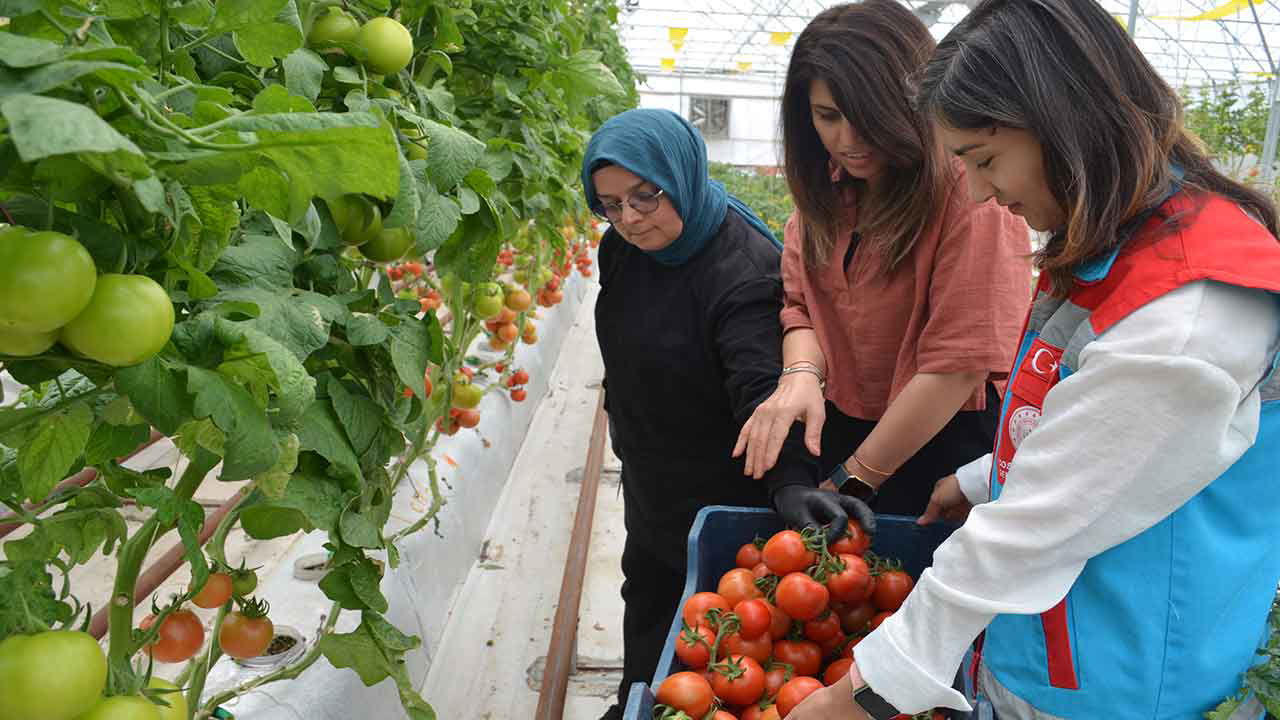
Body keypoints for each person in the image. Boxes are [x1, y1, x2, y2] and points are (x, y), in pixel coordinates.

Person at [788, 1, 1280, 718]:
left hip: (1120, 681)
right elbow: (1103, 428)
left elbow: (1040, 524)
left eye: (985, 161)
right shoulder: (1123, 245)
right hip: (1060, 643)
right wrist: (983, 476)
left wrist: (865, 692)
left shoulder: (1187, 317)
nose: (983, 191)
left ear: (1065, 121)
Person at [581, 108, 874, 720]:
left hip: (715, 484)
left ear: (681, 175)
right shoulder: (623, 251)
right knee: (649, 592)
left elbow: (760, 382)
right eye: (609, 203)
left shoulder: (738, 267)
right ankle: (636, 698)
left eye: (645, 196)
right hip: (651, 471)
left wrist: (789, 481)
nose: (629, 218)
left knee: (708, 628)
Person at [733, 0, 1032, 519]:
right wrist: (801, 375)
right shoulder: (827, 193)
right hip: (846, 424)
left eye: (868, 117)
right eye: (827, 117)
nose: (847, 140)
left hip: (937, 437)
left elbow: (957, 366)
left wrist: (858, 477)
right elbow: (800, 306)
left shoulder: (968, 194)